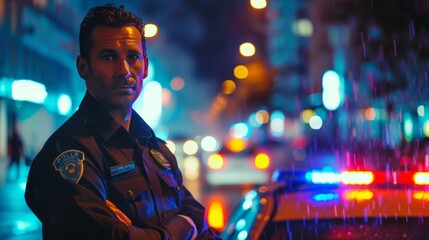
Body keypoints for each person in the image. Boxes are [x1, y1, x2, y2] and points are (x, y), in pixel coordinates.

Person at [24, 3, 220, 239]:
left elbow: (198, 215)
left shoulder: (155, 149)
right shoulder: (67, 154)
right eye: (108, 57)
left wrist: (145, 231)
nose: (124, 70)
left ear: (145, 66)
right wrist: (184, 226)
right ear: (83, 67)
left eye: (133, 57)